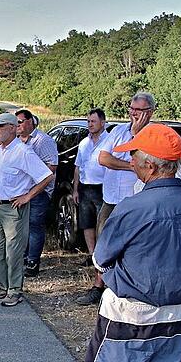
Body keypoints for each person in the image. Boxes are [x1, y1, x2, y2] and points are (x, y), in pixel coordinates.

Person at [83, 123, 181, 362]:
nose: (130, 161)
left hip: (130, 315)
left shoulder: (134, 207)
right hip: (176, 313)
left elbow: (101, 258)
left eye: (134, 156)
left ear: (150, 166)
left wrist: (116, 275)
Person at [77, 91, 181, 305]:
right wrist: (131, 165)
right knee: (106, 242)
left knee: (142, 248)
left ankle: (128, 286)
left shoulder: (160, 137)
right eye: (132, 109)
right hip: (113, 198)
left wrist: (137, 137)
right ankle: (101, 286)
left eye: (140, 110)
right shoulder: (118, 131)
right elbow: (104, 158)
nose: (134, 114)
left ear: (151, 112)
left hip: (142, 202)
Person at [0, 114, 53, 307]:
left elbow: (47, 176)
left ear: (13, 128)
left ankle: (15, 290)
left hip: (14, 209)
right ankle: (3, 286)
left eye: (1, 126)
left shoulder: (24, 152)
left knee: (13, 252)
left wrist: (28, 196)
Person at [15, 109, 58, 278]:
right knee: (22, 226)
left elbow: (52, 167)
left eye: (20, 121)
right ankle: (24, 257)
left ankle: (33, 261)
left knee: (34, 225)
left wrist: (33, 177)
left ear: (30, 121)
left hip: (38, 191)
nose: (17, 125)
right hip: (21, 190)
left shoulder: (43, 140)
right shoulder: (17, 142)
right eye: (15, 122)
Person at [71, 109, 108, 266]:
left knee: (102, 223)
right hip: (85, 188)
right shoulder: (84, 143)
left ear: (102, 123)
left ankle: (102, 256)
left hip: (102, 188)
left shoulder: (110, 141)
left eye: (93, 121)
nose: (90, 124)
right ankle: (91, 255)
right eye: (88, 121)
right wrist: (75, 189)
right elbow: (78, 167)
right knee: (87, 223)